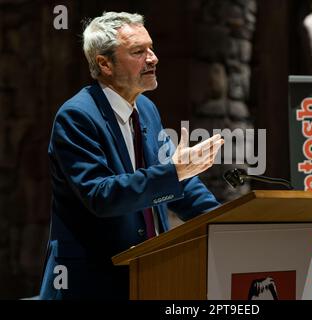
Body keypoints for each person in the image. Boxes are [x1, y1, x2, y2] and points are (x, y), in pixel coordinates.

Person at [39, 11, 224, 300]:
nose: (153, 58)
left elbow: (179, 182)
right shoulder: (76, 116)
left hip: (146, 274)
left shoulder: (147, 109)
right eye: (139, 51)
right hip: (89, 282)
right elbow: (102, 195)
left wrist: (226, 223)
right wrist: (175, 172)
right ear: (105, 64)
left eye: (151, 48)